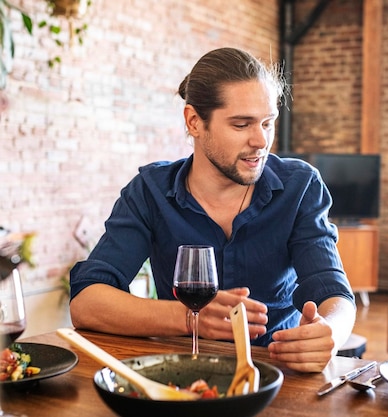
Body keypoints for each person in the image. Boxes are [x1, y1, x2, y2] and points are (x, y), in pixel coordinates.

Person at [69, 47, 357, 373]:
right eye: (241, 124)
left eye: (268, 123)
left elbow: (334, 293)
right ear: (194, 121)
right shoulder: (150, 190)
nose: (261, 140)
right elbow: (86, 302)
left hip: (277, 374)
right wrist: (190, 318)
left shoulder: (300, 186)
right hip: (181, 374)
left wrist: (329, 332)